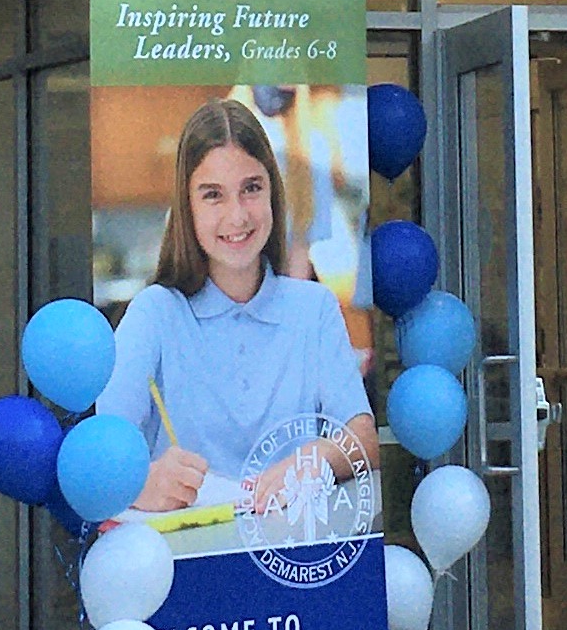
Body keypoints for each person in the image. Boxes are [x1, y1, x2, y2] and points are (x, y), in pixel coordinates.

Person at [98, 97, 380, 521]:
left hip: (291, 549)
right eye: (213, 195)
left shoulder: (314, 308)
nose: (237, 216)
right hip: (185, 554)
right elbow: (100, 455)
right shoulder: (154, 313)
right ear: (187, 207)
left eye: (251, 188)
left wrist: (317, 457)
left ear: (273, 193)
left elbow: (364, 439)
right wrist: (141, 482)